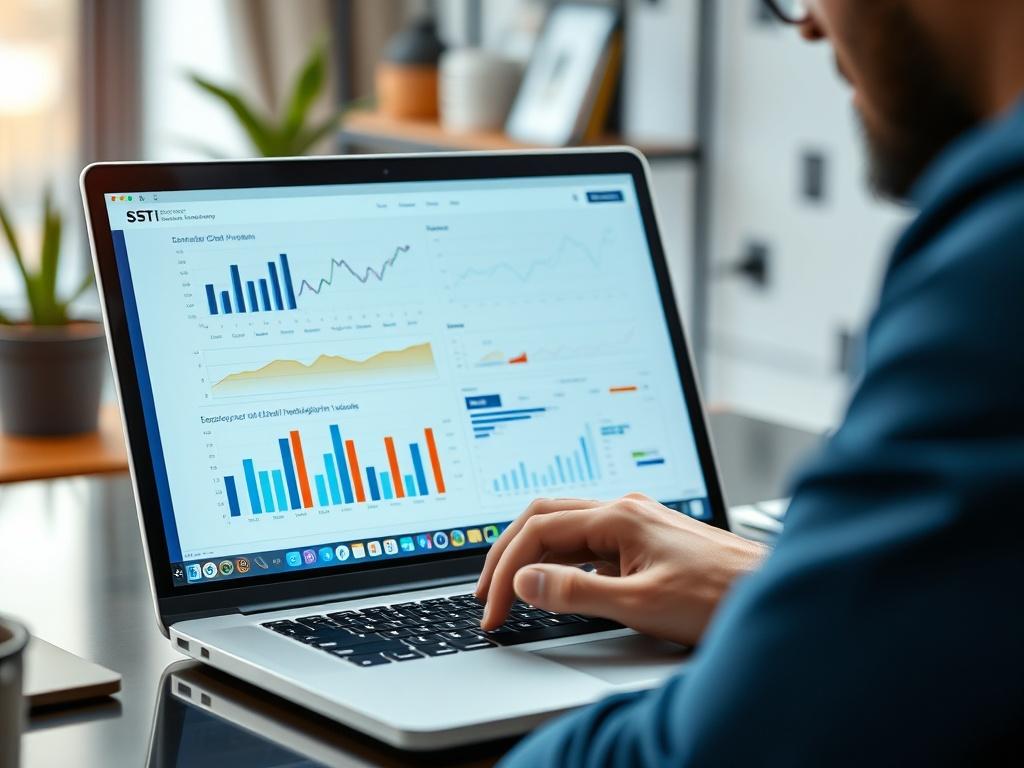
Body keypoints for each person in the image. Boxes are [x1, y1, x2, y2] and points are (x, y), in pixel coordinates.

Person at [477, 0, 1024, 764]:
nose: (805, 24)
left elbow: (725, 748)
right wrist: (789, 597)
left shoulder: (1001, 254)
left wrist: (802, 631)